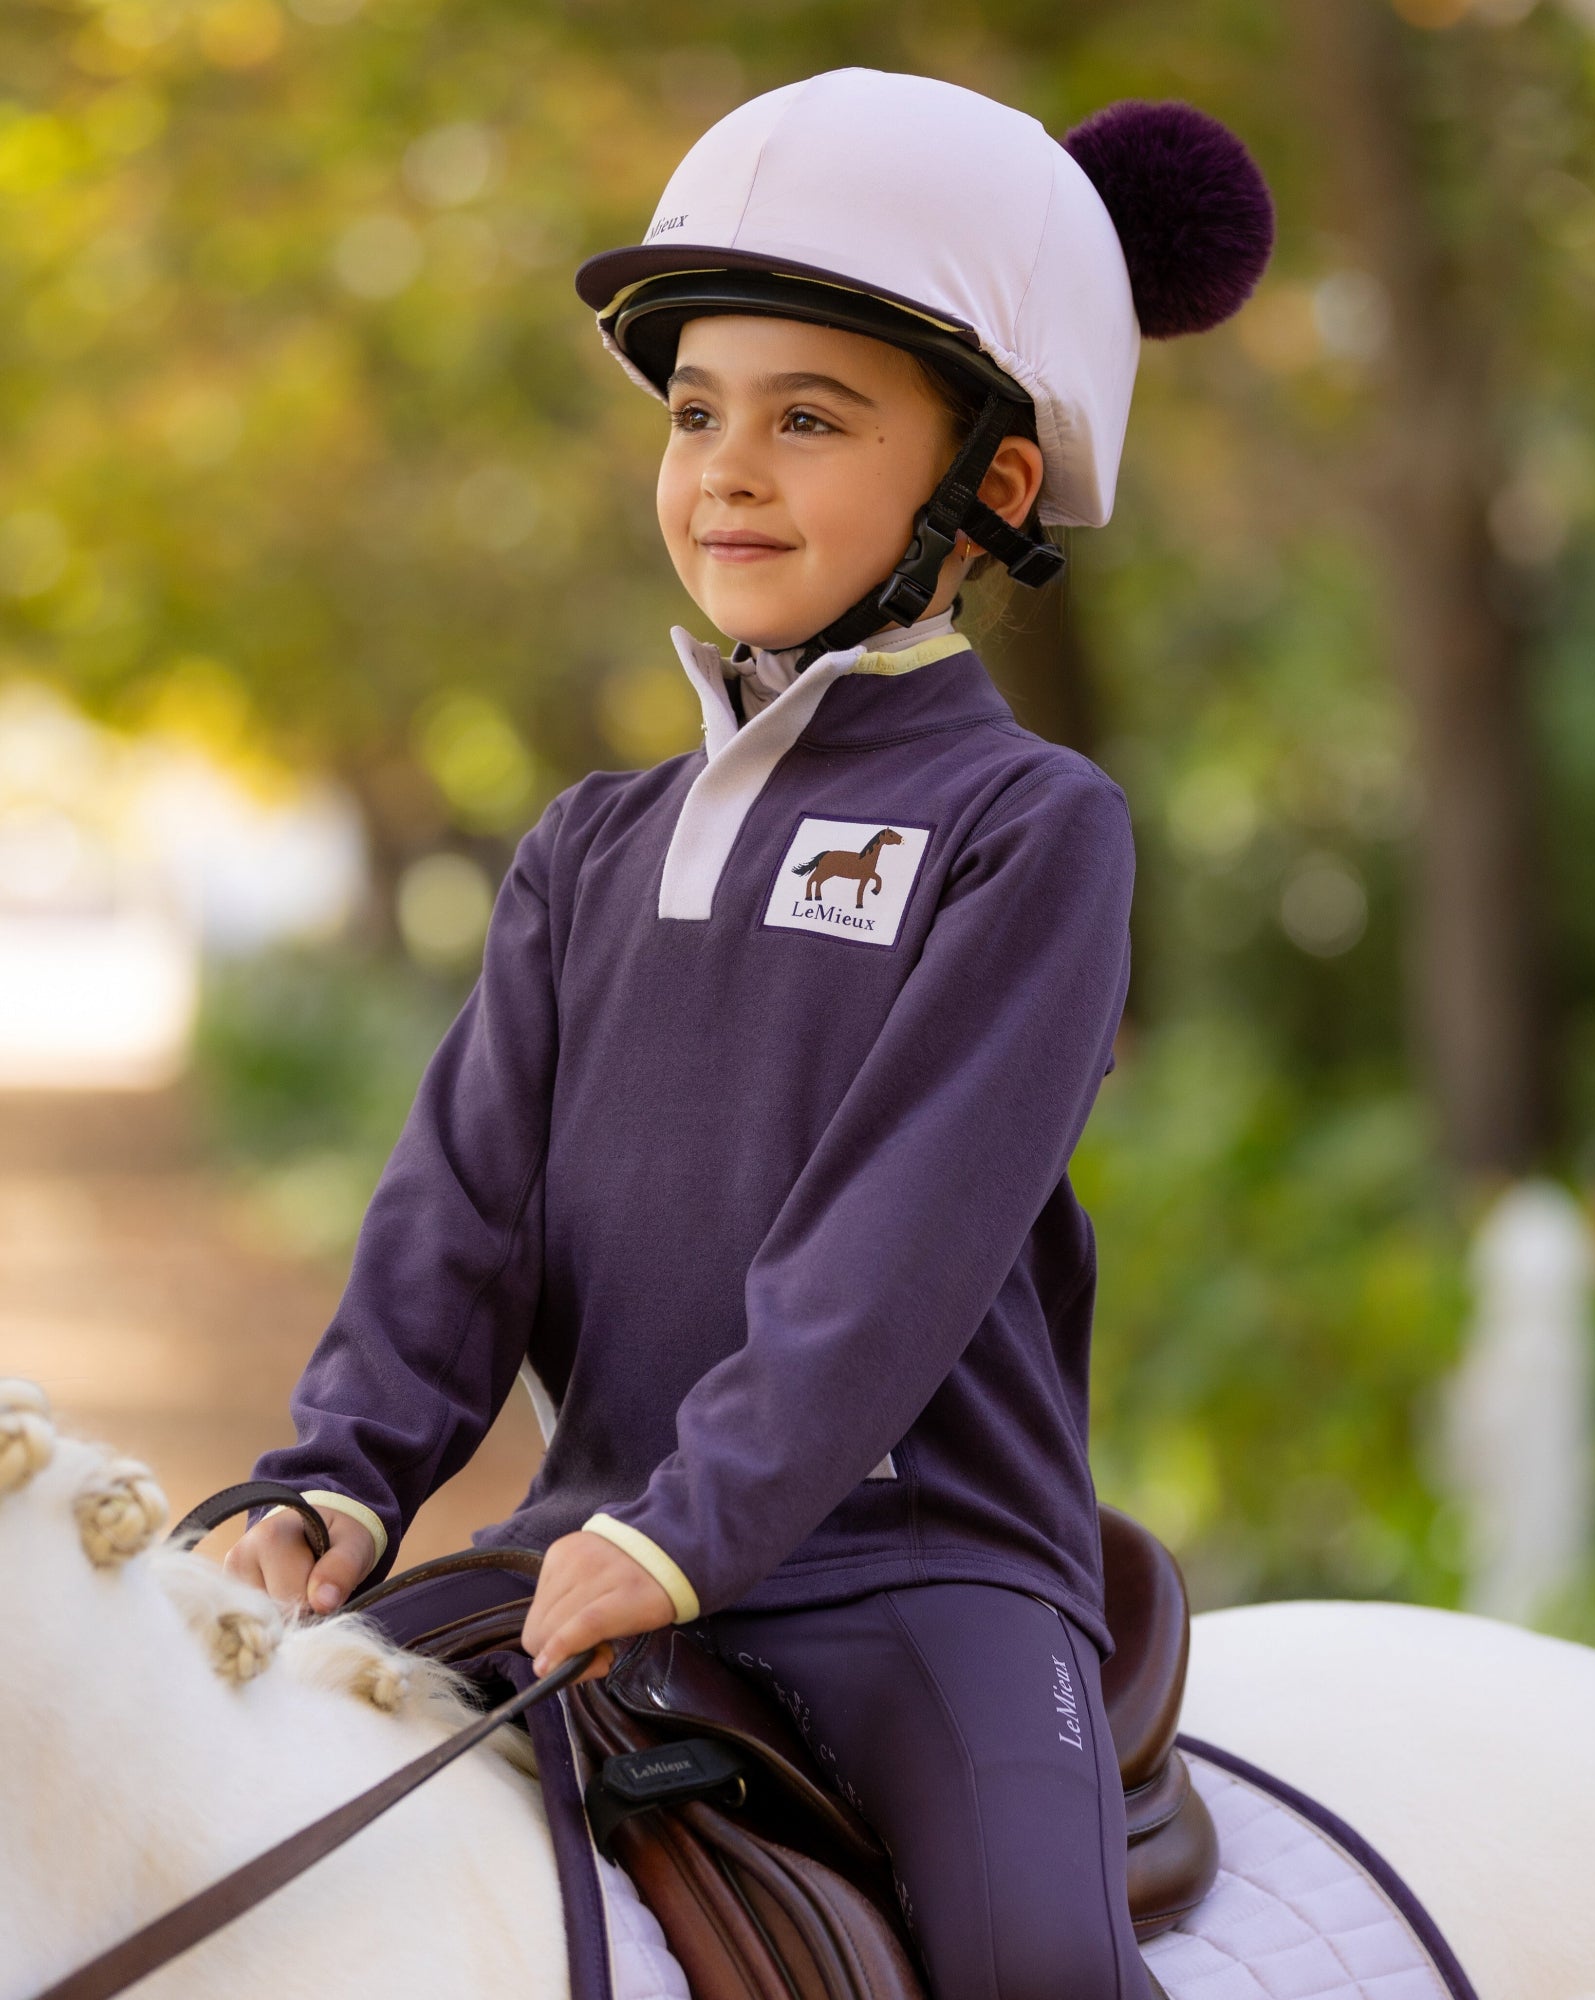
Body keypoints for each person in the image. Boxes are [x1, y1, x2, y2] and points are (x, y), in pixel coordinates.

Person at [226, 68, 1273, 2000]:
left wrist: (695, 1531)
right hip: (590, 1542)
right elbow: (460, 1217)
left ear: (993, 492)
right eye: (697, 412)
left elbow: (904, 1240)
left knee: (1039, 1971)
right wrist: (341, 1472)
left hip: (920, 1574)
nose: (727, 468)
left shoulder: (1037, 833)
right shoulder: (586, 845)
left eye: (811, 419)